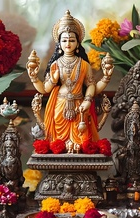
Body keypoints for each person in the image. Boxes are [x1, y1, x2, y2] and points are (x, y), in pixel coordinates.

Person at [26, 10, 114, 151]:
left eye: (72, 40)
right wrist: (34, 77)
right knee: (59, 142)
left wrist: (89, 98)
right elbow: (44, 90)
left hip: (79, 106)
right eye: (64, 40)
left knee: (81, 140)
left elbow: (91, 85)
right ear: (59, 43)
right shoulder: (55, 65)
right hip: (60, 106)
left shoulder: (84, 64)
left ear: (78, 43)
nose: (68, 43)